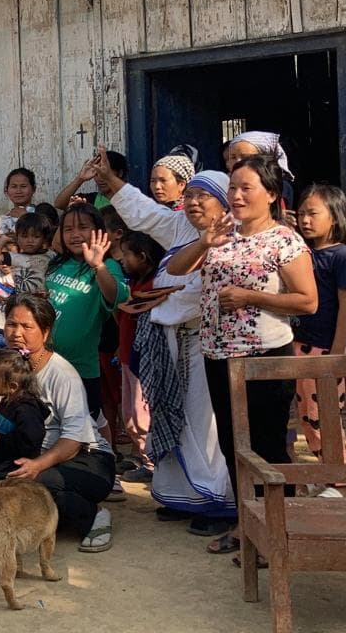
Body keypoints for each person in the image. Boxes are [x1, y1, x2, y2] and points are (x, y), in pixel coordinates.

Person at [167, 157, 317, 560]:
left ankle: (276, 531)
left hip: (266, 357)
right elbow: (176, 269)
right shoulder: (221, 233)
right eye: (233, 187)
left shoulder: (284, 240)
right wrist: (204, 243)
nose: (235, 195)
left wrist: (252, 297)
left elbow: (308, 301)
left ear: (271, 194)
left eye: (245, 187)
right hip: (219, 357)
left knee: (268, 445)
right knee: (236, 444)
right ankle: (245, 525)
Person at [98, 162, 239, 533]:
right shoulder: (179, 225)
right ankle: (181, 495)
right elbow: (144, 211)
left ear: (225, 205)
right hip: (170, 342)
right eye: (189, 195)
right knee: (171, 415)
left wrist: (166, 299)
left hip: (205, 341)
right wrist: (111, 182)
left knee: (203, 423)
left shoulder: (234, 237)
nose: (193, 202)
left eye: (203, 196)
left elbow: (203, 290)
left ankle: (218, 503)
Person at [0, 294, 117, 553]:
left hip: (87, 459)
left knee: (34, 483)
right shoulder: (2, 362)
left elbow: (74, 440)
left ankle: (94, 514)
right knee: (2, 475)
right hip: (31, 452)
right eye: (11, 324)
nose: (16, 333)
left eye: (27, 327)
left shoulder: (62, 374)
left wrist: (38, 465)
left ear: (46, 331)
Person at [292, 184, 346, 469]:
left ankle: (339, 478)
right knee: (306, 414)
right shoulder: (299, 252)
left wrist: (336, 352)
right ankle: (327, 473)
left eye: (313, 214)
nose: (305, 220)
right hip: (297, 345)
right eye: (302, 214)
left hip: (323, 349)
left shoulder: (342, 257)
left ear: (334, 217)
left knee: (324, 415)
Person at [45, 203, 128, 422]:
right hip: (46, 362)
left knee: (85, 428)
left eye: (83, 227)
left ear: (99, 231)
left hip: (81, 369)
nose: (75, 234)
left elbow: (116, 295)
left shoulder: (107, 266)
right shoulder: (57, 264)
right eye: (68, 229)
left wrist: (97, 266)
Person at [114, 231, 166, 484]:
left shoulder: (152, 286)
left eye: (127, 255)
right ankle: (150, 460)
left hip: (141, 358)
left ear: (143, 257)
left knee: (139, 412)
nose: (123, 260)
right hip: (126, 356)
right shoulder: (134, 284)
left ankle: (153, 463)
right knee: (130, 413)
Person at [0, 348, 51, 483]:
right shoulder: (7, 401)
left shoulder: (27, 410)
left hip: (12, 477)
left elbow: (30, 440)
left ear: (12, 386)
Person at [0, 212, 55, 295]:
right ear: (17, 238)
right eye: (24, 236)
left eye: (36, 236)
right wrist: (4, 239)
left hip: (41, 302)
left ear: (44, 238)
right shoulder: (15, 258)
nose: (30, 240)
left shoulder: (51, 256)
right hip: (20, 301)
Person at [55, 149, 129, 211]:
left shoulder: (131, 202)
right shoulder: (89, 201)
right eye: (96, 174)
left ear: (120, 173)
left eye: (104, 174)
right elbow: (60, 204)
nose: (100, 179)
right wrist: (80, 179)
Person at [0, 167, 38, 235]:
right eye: (14, 186)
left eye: (23, 186)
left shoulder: (42, 214)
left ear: (33, 189)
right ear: (7, 190)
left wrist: (26, 217)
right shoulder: (3, 220)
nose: (18, 191)